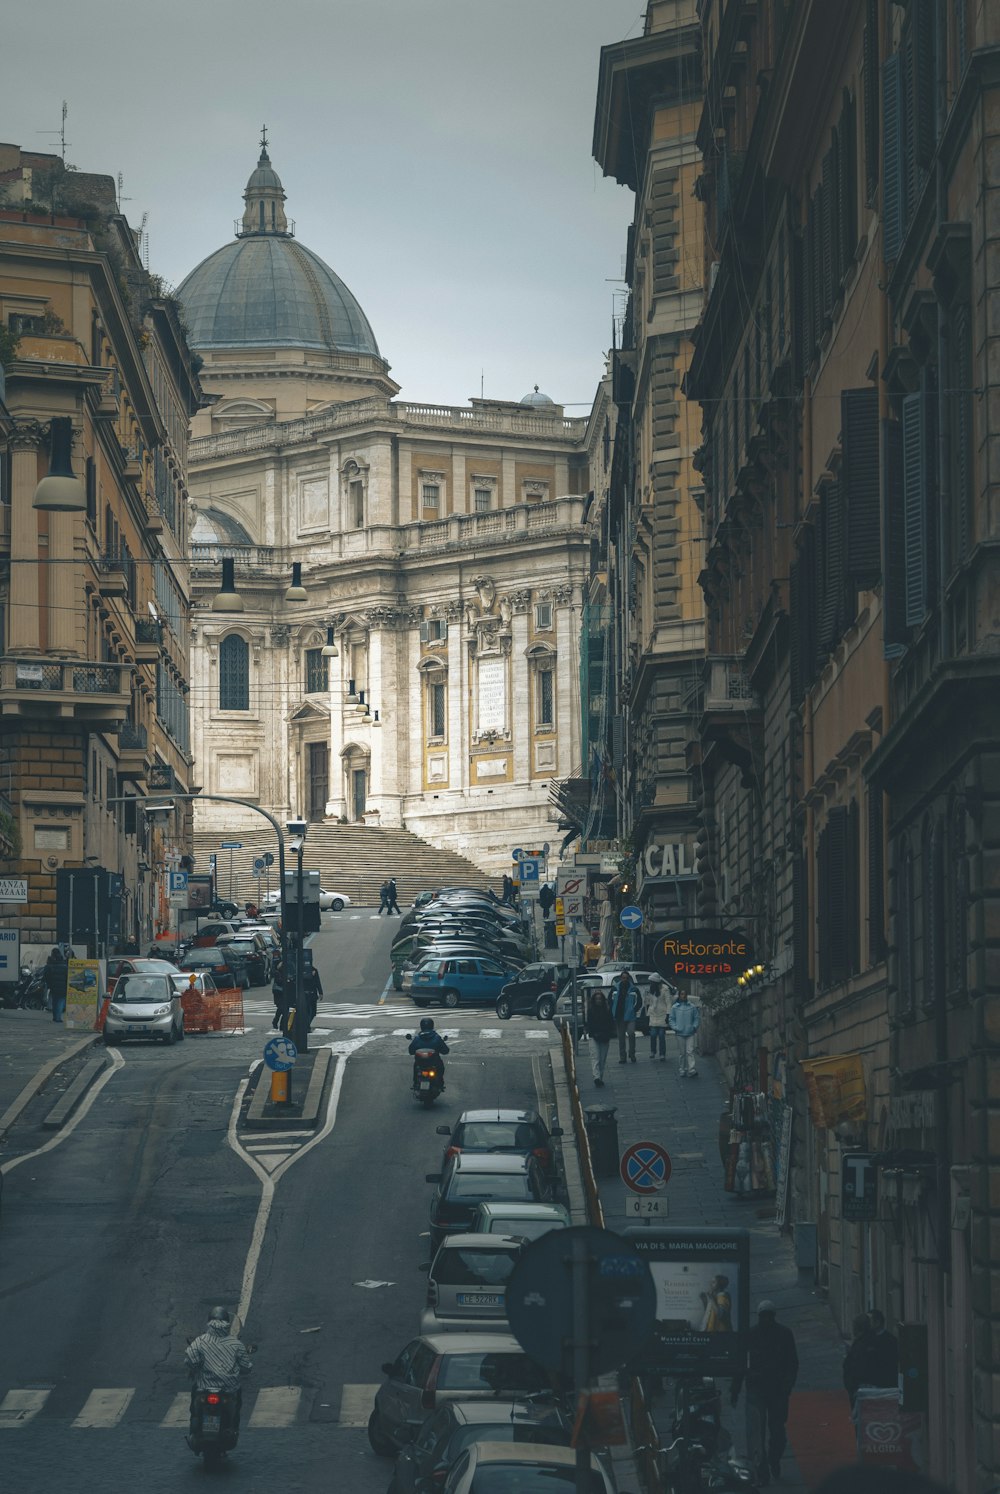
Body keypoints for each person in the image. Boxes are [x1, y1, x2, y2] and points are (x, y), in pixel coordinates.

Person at [730, 1300, 799, 1486]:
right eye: (763, 1316)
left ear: (773, 1316)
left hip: (777, 1391)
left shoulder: (784, 1334)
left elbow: (792, 1362)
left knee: (777, 1433)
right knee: (756, 1435)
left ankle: (774, 1459)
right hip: (757, 1389)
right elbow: (741, 1364)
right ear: (760, 1317)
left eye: (769, 1316)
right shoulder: (751, 1335)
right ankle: (762, 1472)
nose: (766, 1319)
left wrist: (787, 1386)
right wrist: (735, 1389)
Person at [184, 1306, 252, 1434]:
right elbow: (246, 1367)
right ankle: (233, 1427)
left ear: (209, 1323)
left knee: (194, 1403)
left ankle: (194, 1423)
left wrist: (194, 1369)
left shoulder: (200, 1341)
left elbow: (190, 1360)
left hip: (204, 1388)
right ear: (227, 1323)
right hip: (229, 1389)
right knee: (236, 1406)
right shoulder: (236, 1344)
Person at [843, 1312, 877, 1409]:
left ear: (858, 1328)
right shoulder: (869, 1340)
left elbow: (856, 1367)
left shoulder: (861, 1344)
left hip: (862, 1388)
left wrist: (852, 1386)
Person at [609, 969, 643, 1064]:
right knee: (621, 1037)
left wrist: (633, 1010)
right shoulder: (615, 988)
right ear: (621, 978)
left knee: (631, 1033)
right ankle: (622, 1057)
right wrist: (613, 1010)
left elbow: (639, 1002)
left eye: (626, 978)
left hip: (630, 1016)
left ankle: (632, 1054)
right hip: (619, 1016)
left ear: (629, 979)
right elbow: (610, 1000)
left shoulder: (634, 989)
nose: (625, 979)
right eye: (623, 978)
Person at [584, 989, 616, 1086]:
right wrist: (593, 1033)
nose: (598, 1001)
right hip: (594, 1037)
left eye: (600, 999)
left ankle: (600, 1077)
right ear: (594, 1000)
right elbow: (589, 1024)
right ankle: (596, 1077)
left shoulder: (607, 1010)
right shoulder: (590, 1011)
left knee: (602, 1059)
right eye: (597, 999)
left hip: (604, 1037)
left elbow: (611, 1023)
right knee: (595, 1058)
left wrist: (609, 1033)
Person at [668, 989, 700, 1077]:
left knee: (690, 1051)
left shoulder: (692, 1006)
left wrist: (694, 1026)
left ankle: (691, 1069)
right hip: (680, 1033)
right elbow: (671, 1019)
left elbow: (696, 1018)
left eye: (685, 994)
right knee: (682, 1053)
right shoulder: (675, 1007)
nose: (683, 996)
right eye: (682, 994)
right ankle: (682, 1068)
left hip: (690, 1032)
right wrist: (675, 1028)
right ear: (679, 996)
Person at [868, 1308, 900, 1387]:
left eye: (869, 1322)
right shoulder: (867, 1339)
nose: (866, 1324)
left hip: (885, 1385)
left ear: (877, 1322)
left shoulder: (891, 1341)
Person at [645, 973, 671, 1060]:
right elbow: (648, 1002)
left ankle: (662, 1053)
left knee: (661, 1035)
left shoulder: (665, 989)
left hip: (662, 1014)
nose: (650, 983)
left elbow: (668, 1002)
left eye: (652, 982)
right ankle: (653, 1051)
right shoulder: (650, 990)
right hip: (653, 1014)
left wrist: (668, 1014)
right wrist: (647, 1013)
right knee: (652, 1034)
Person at [43, 946, 69, 1024]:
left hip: (53, 986)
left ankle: (55, 1017)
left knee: (54, 1001)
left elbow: (46, 975)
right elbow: (67, 976)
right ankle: (58, 1017)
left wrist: (49, 984)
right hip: (63, 986)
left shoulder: (50, 963)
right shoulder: (64, 964)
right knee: (60, 1001)